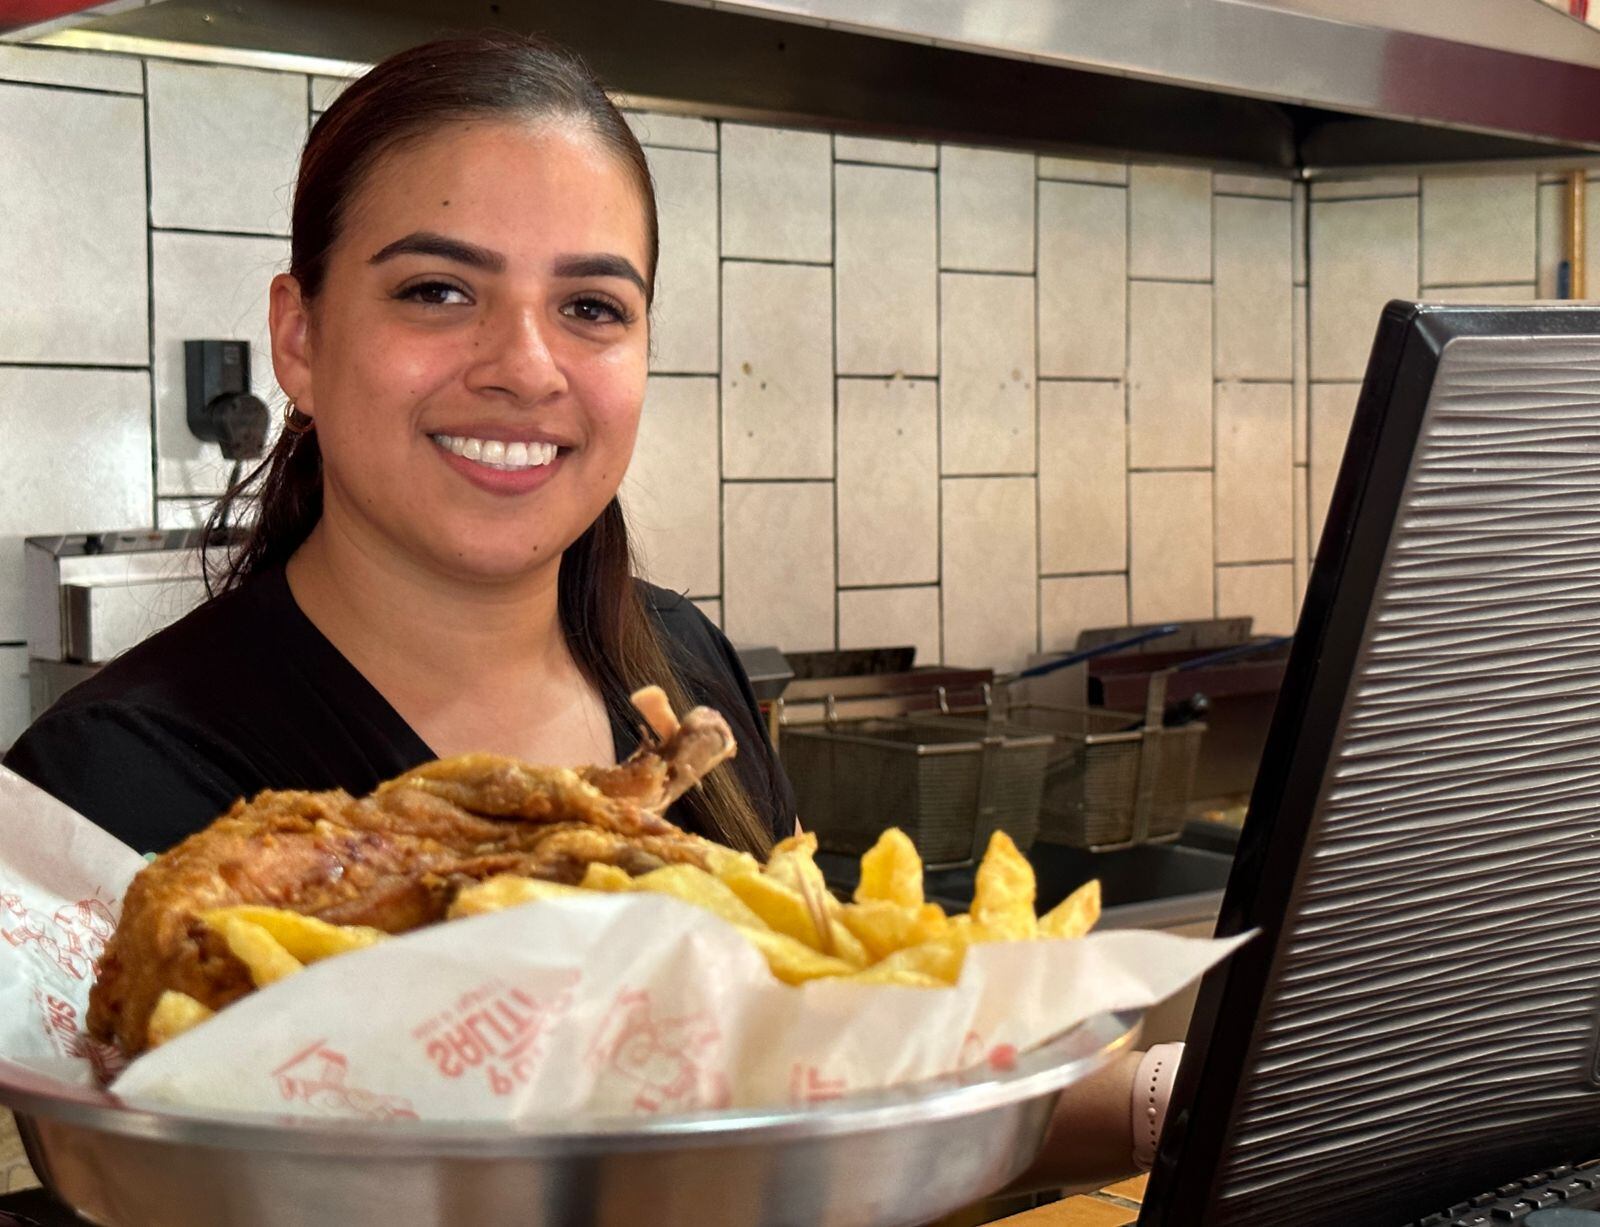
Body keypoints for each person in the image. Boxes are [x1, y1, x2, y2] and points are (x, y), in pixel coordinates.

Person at [1, 31, 1167, 1196]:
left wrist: (1169, 1103)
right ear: (299, 340)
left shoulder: (682, 672)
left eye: (593, 307)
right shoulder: (105, 791)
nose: (524, 365)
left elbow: (834, 1098)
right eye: (438, 290)